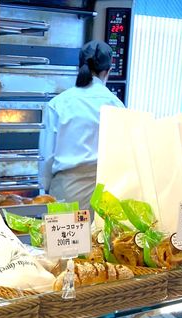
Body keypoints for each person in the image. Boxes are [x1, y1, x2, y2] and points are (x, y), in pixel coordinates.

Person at [38, 41, 123, 209]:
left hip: (66, 190)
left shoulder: (58, 103)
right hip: (104, 192)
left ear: (80, 67)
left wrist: (44, 188)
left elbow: (47, 156)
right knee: (97, 228)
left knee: (65, 227)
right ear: (108, 71)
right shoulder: (117, 106)